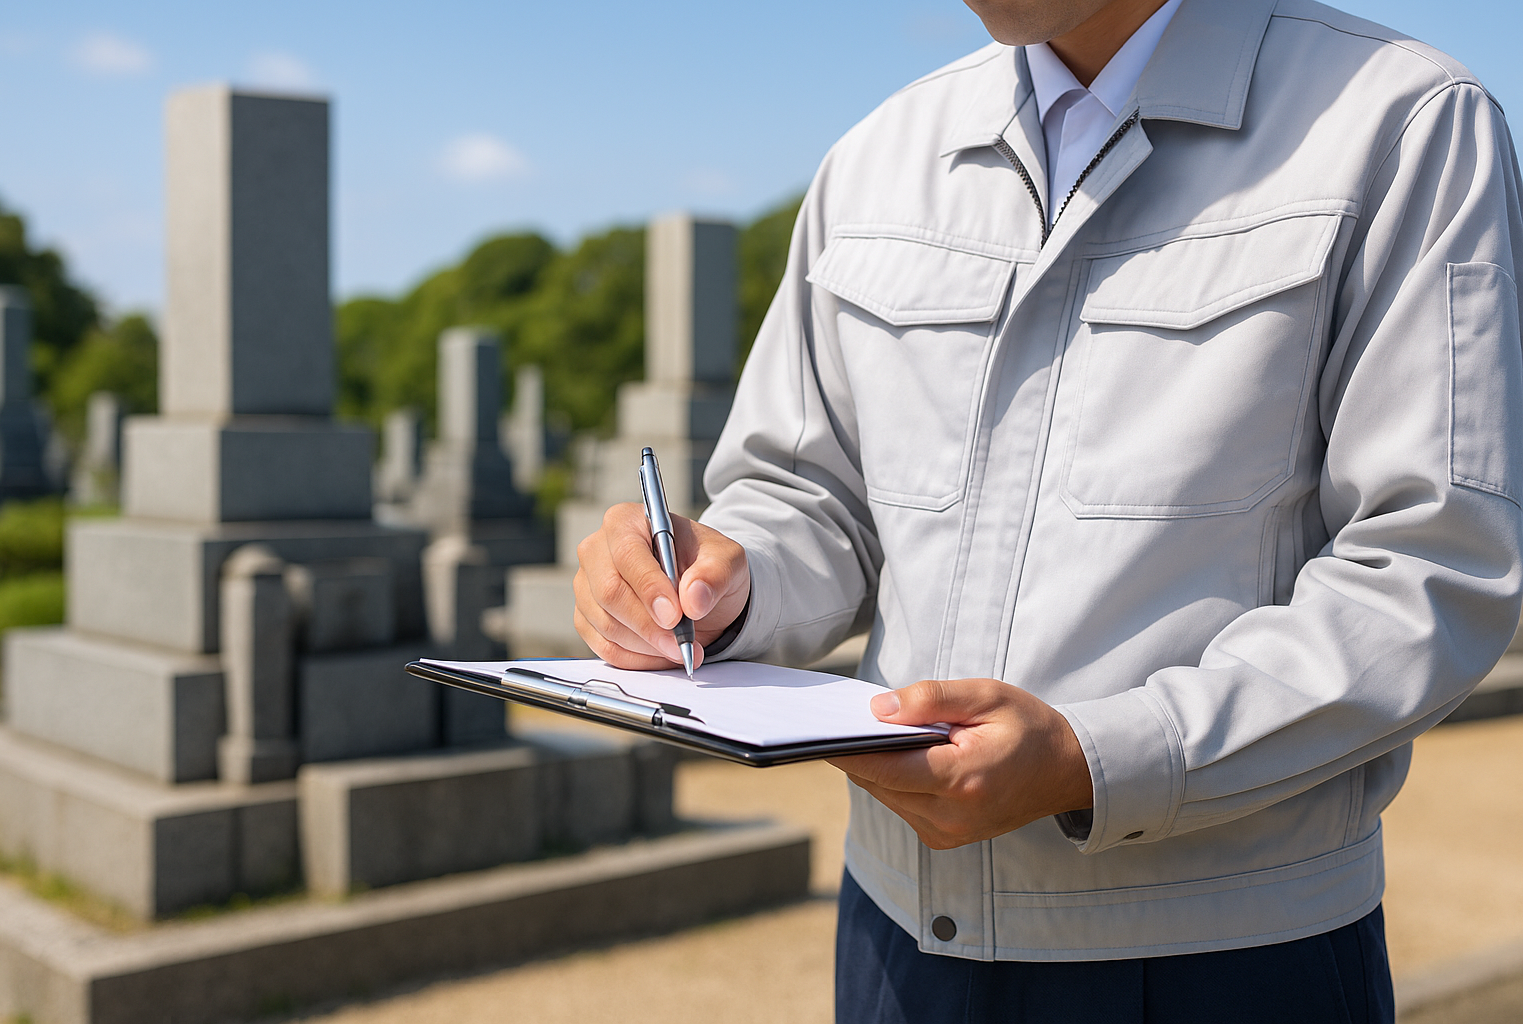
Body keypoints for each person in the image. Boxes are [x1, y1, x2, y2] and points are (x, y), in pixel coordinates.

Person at [573, 0, 1523, 1020]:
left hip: (1229, 959)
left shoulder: (1406, 123)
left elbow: (1429, 568)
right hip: (896, 941)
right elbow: (813, 496)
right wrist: (721, 580)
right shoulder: (877, 156)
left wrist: (1095, 759)